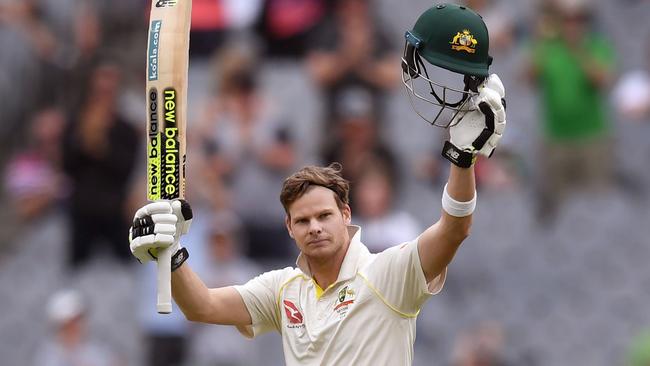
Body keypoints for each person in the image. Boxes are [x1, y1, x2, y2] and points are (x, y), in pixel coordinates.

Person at [128, 4, 506, 365]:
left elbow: (455, 228)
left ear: (346, 214)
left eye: (324, 215)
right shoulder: (283, 290)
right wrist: (171, 251)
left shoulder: (389, 273)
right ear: (289, 228)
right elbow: (202, 306)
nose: (315, 228)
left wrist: (462, 159)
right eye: (303, 221)